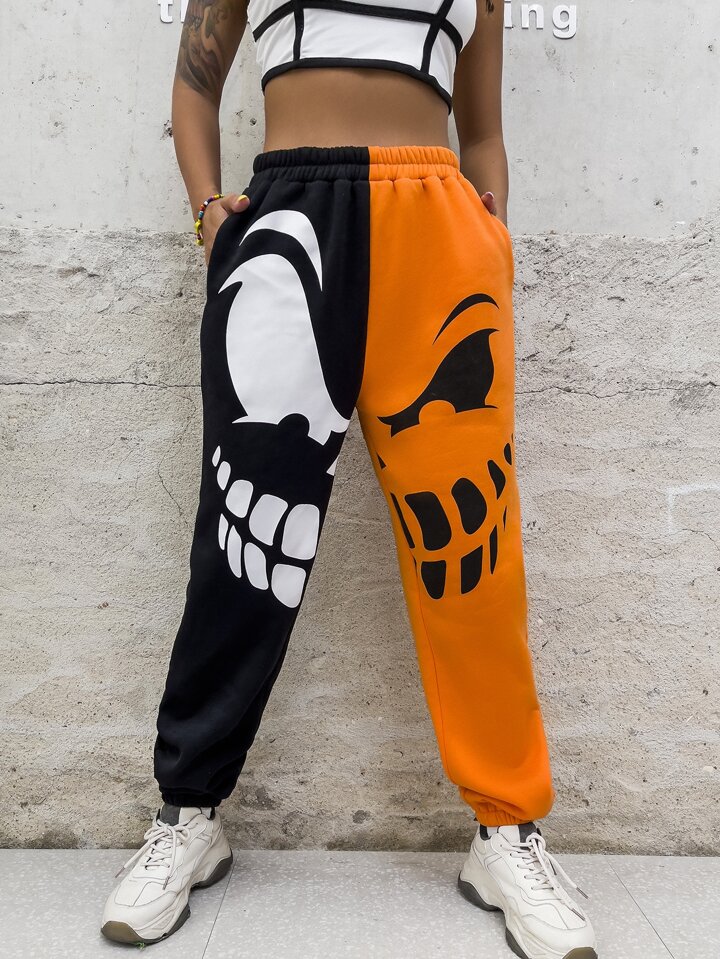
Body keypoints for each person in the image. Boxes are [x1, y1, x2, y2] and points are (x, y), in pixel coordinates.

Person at [100, 1, 598, 956]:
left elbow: (482, 129)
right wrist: (209, 213)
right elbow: (195, 84)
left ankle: (506, 831)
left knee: (474, 557)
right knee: (242, 548)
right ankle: (188, 814)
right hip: (289, 216)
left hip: (443, 234)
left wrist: (490, 240)